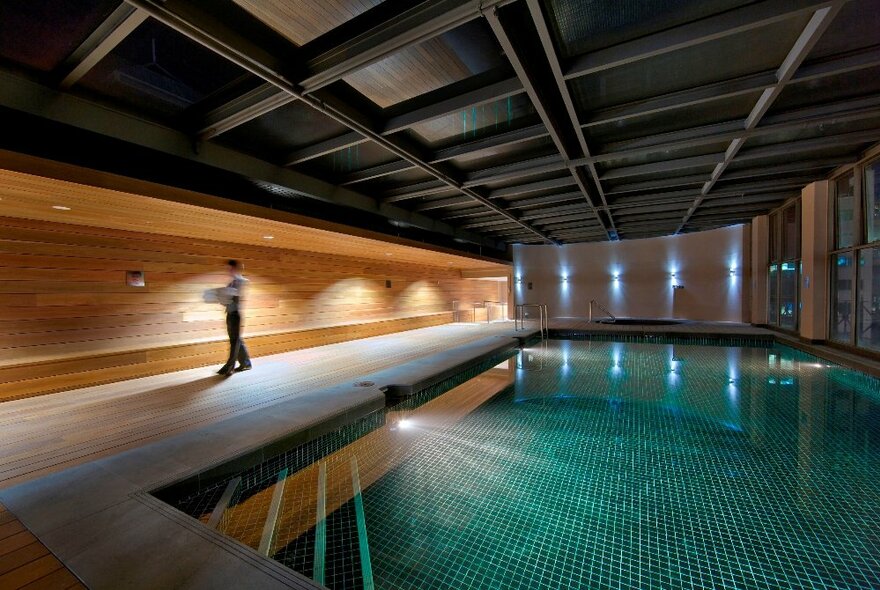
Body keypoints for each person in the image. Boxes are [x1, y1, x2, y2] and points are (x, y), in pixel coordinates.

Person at [217, 259, 252, 376]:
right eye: (228, 268)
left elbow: (238, 294)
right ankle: (246, 363)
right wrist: (221, 298)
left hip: (236, 314)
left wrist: (227, 294)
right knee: (236, 339)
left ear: (235, 268)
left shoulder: (242, 281)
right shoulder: (231, 283)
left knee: (234, 341)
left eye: (230, 268)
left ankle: (230, 366)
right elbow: (226, 300)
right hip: (229, 313)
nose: (228, 270)